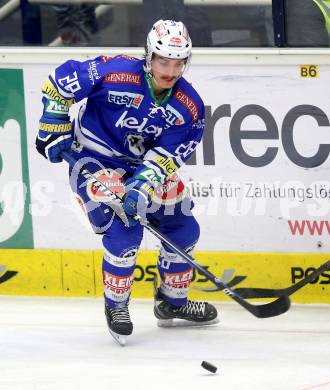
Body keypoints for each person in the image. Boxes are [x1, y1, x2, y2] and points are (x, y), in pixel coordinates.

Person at [35, 19, 218, 345]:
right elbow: (62, 82)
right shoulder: (114, 71)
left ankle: (172, 303)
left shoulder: (188, 106)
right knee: (125, 232)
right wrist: (53, 120)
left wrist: (142, 185)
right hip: (93, 161)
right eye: (164, 60)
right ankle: (116, 306)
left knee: (184, 228)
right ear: (149, 56)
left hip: (140, 168)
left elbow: (169, 155)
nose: (171, 70)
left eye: (178, 63)